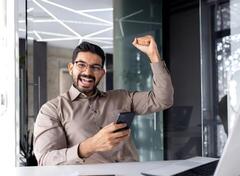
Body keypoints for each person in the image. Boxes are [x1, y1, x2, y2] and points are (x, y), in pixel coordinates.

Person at [33, 35, 174, 165]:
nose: (88, 72)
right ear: (71, 68)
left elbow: (163, 99)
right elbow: (45, 160)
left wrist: (154, 55)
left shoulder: (122, 98)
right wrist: (91, 145)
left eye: (95, 67)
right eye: (81, 65)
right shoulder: (52, 110)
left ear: (102, 73)